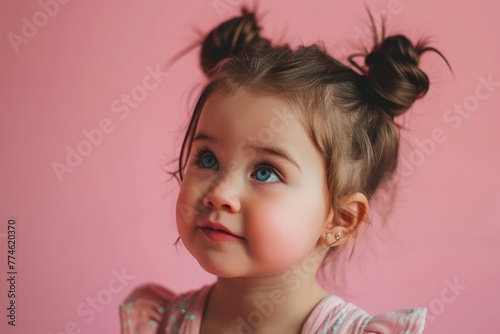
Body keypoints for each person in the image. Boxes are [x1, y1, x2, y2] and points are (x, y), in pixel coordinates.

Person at [119, 6, 450, 334]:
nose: (219, 194)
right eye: (208, 160)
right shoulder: (158, 323)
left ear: (340, 220)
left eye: (265, 172)